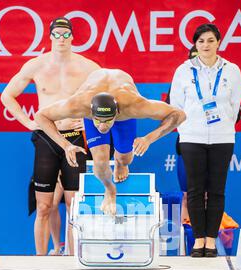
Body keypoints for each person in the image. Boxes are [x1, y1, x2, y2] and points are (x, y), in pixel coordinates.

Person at [1, 16, 100, 255]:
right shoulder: (36, 65)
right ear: (50, 37)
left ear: (73, 37)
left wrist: (92, 122)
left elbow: (111, 99)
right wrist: (29, 123)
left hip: (75, 137)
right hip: (46, 137)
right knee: (44, 206)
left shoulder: (88, 67)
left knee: (73, 205)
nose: (62, 39)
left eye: (66, 34)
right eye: (57, 34)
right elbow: (7, 96)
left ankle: (74, 260)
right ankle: (40, 261)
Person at [35, 68, 186, 216]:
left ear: (116, 113)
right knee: (100, 161)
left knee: (125, 158)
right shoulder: (79, 105)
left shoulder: (134, 106)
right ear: (90, 113)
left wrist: (149, 138)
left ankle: (121, 164)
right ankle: (110, 190)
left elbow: (179, 115)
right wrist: (65, 145)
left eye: (107, 120)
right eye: (98, 120)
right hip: (92, 102)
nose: (102, 127)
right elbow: (41, 116)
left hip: (124, 106)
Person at [170, 24, 241, 257]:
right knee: (195, 190)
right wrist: (188, 128)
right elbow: (176, 105)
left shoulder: (232, 70)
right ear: (195, 44)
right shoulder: (183, 71)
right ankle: (198, 240)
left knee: (217, 190)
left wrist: (223, 126)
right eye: (201, 41)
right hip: (191, 137)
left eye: (210, 40)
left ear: (218, 42)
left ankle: (211, 241)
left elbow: (235, 105)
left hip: (222, 137)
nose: (206, 45)